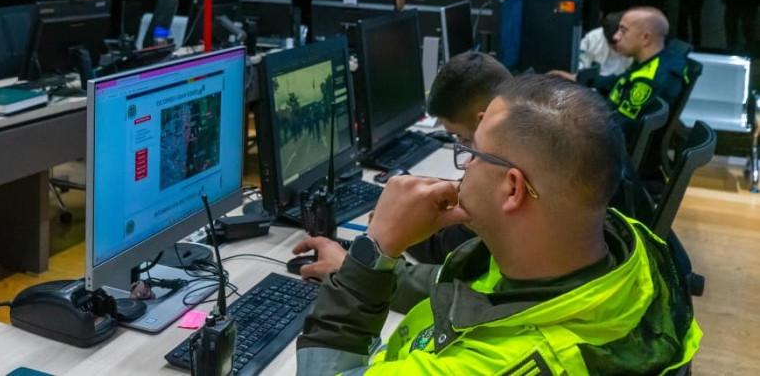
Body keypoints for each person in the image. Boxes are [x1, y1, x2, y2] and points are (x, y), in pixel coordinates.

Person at [295, 74, 701, 374]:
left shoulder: (499, 367)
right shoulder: (615, 249)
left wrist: (375, 249)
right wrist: (364, 273)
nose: (465, 165)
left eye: (473, 153)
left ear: (513, 189)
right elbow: (484, 293)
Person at [297, 51, 511, 271]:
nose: (467, 160)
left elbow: (448, 251)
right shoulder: (522, 146)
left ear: (485, 120)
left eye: (464, 139)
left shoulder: (501, 179)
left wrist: (394, 230)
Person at [551, 7, 687, 129]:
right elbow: (619, 82)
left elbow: (621, 128)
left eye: (623, 30)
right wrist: (577, 78)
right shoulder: (651, 62)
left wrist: (578, 115)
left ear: (645, 38)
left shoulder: (650, 80)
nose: (616, 37)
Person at [578, 11, 633, 77]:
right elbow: (581, 64)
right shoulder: (593, 38)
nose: (617, 47)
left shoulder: (633, 40)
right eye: (613, 45)